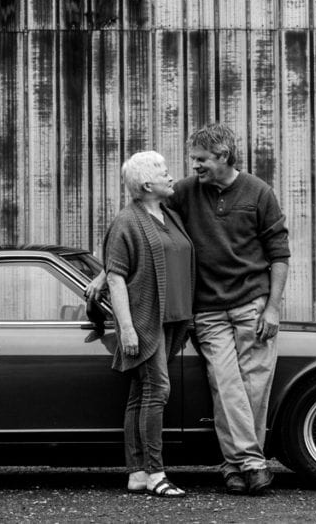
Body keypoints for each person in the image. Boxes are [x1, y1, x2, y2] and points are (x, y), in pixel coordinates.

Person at [88, 124, 289, 496]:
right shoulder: (182, 192)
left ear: (223, 156)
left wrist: (273, 307)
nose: (192, 167)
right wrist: (107, 273)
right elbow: (137, 223)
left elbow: (279, 253)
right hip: (208, 310)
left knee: (254, 388)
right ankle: (251, 462)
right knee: (226, 385)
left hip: (253, 304)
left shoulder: (259, 193)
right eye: (191, 160)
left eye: (200, 160)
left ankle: (233, 465)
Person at [102, 151, 194, 498]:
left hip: (174, 320)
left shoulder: (169, 214)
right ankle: (156, 473)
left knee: (140, 394)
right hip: (145, 320)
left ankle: (137, 472)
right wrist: (126, 328)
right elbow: (115, 277)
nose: (172, 178)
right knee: (158, 390)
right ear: (146, 184)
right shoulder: (127, 221)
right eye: (165, 173)